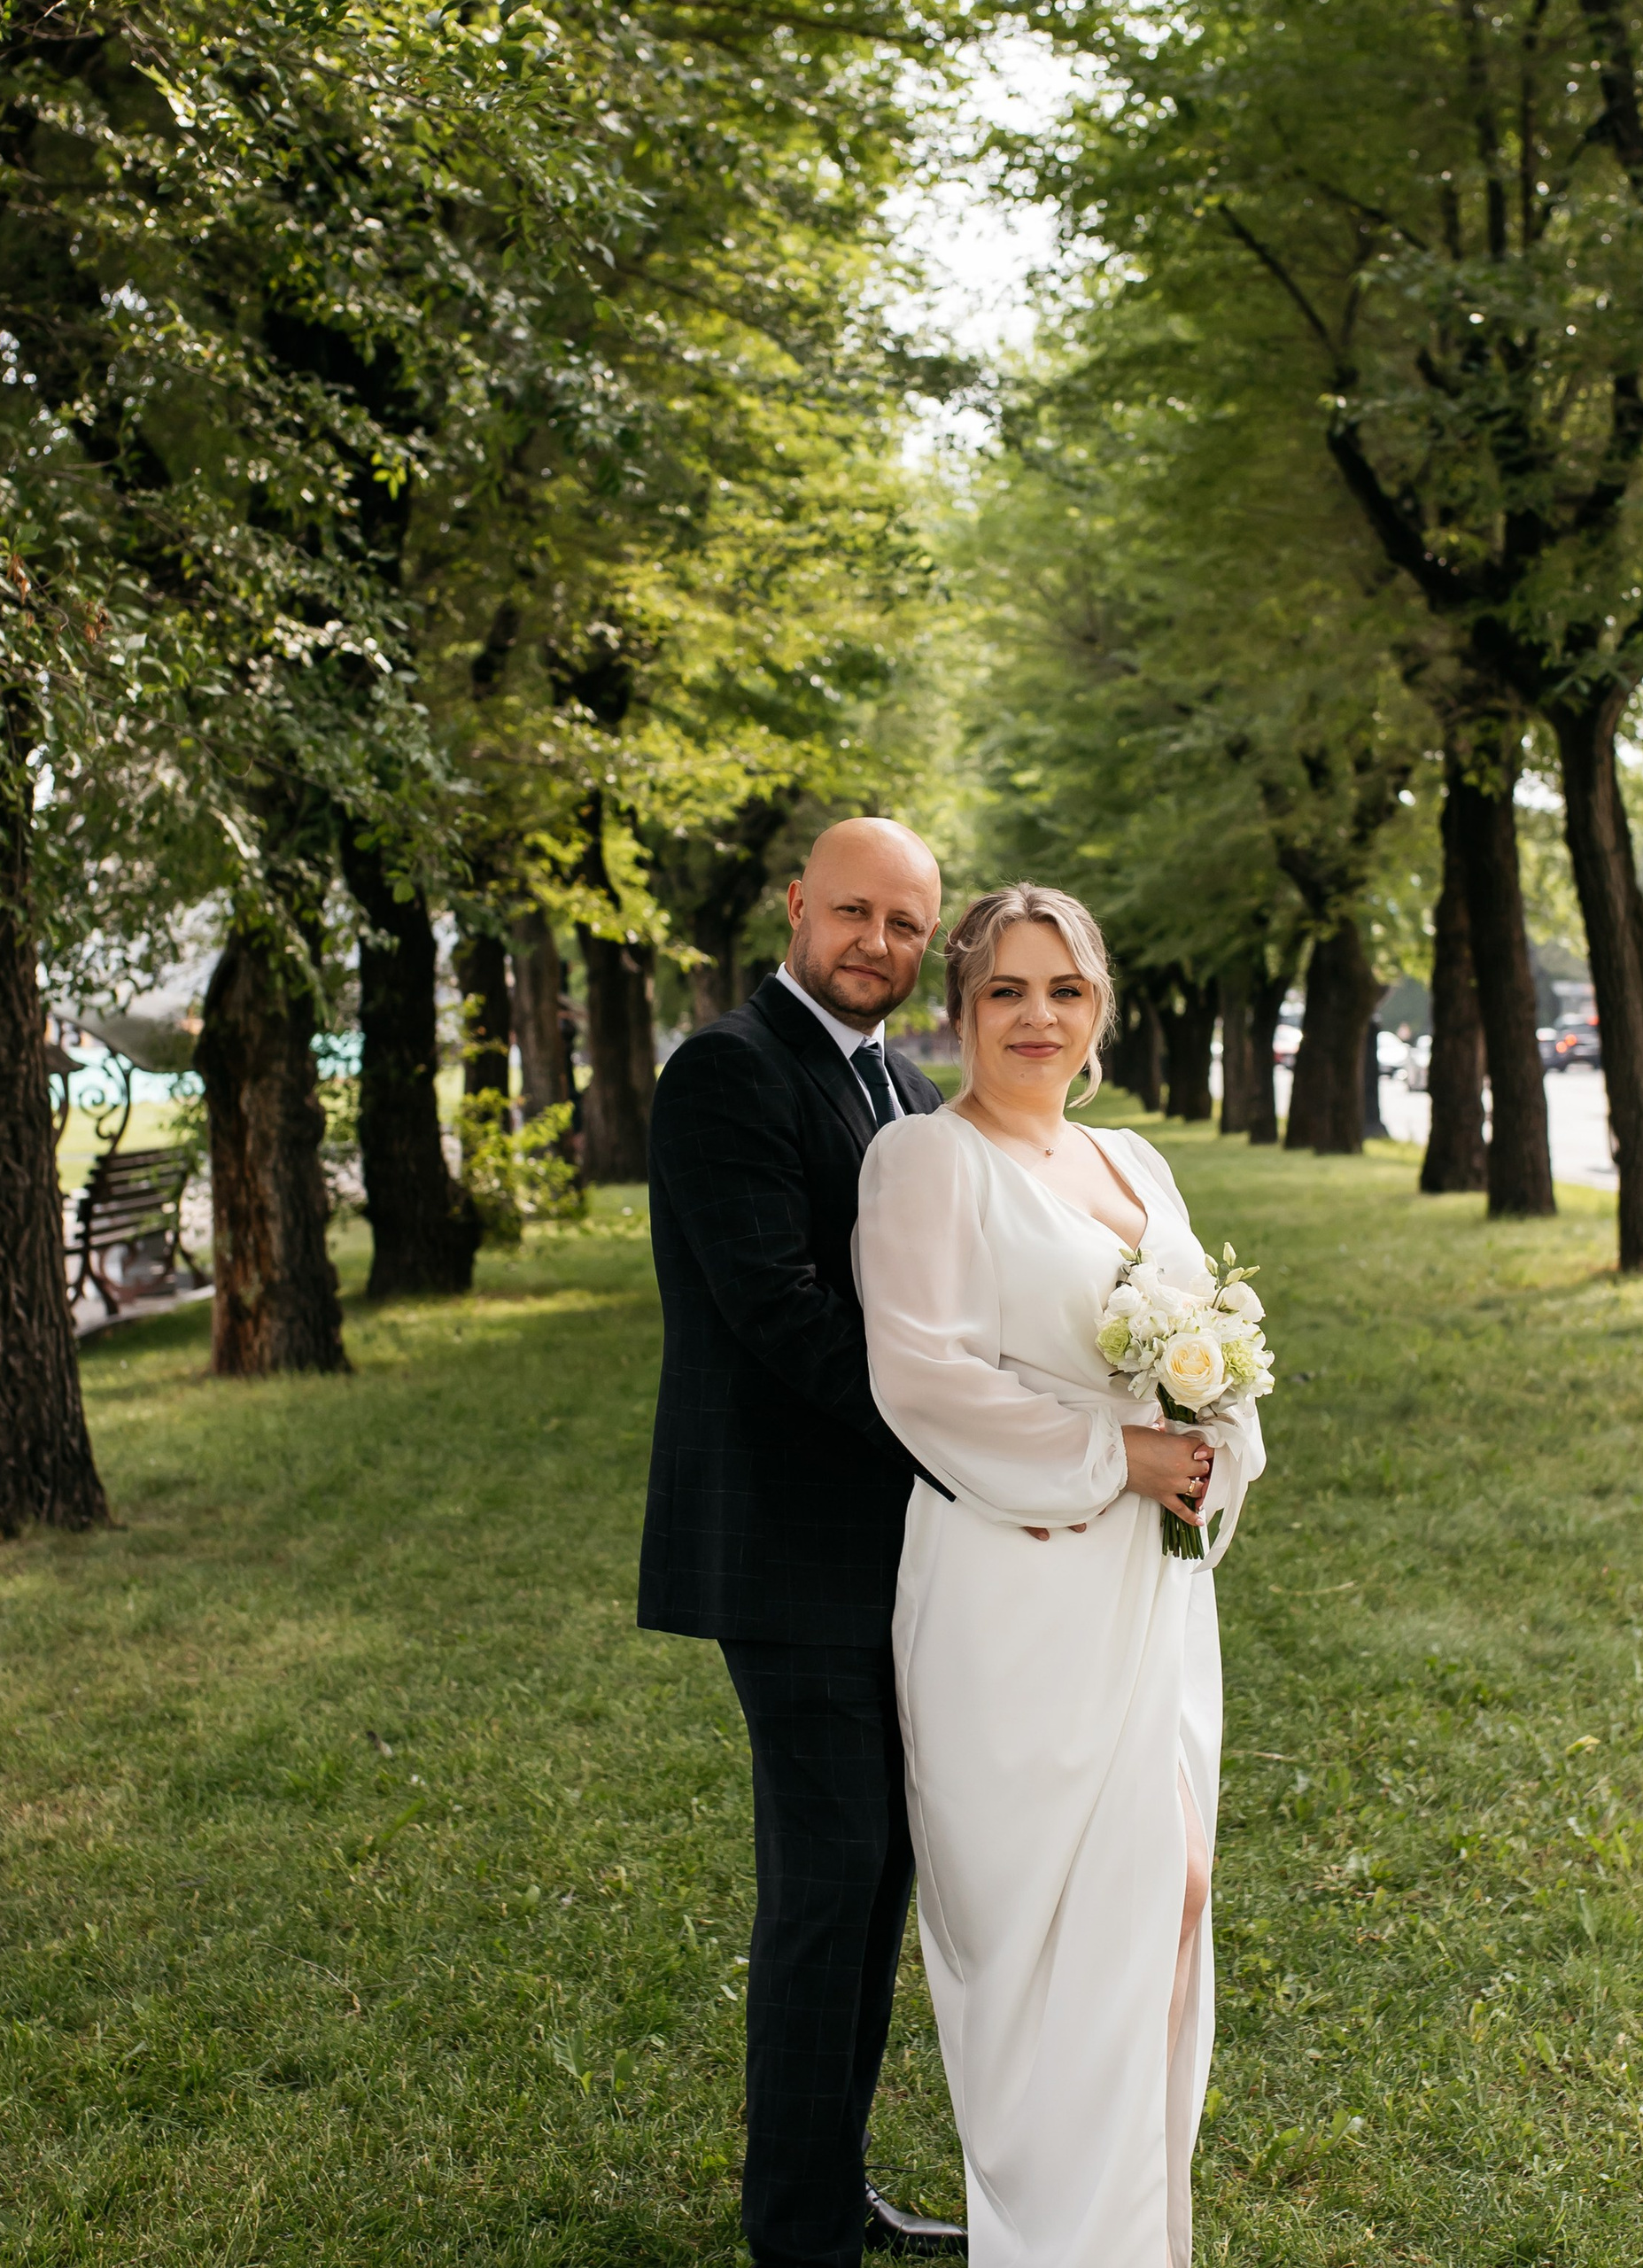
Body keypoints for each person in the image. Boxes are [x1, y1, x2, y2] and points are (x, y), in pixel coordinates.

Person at [852, 884, 1263, 2268]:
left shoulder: (1140, 1162)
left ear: (1101, 1010)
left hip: (1151, 1594)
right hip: (1008, 1589)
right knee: (1040, 1939)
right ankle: (1046, 2239)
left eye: (1065, 992)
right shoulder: (923, 1162)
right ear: (958, 1008)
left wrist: (1213, 1448)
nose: (1038, 1019)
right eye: (1008, 992)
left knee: (1175, 1897)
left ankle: (1132, 2238)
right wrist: (1116, 1455)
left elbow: (1208, 1342)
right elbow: (920, 1378)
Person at [639, 817, 967, 2266]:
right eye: (854, 914)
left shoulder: (892, 1078)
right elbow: (781, 1315)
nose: (876, 946)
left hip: (885, 1552)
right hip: (784, 1551)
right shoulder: (729, 1071)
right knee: (831, 1887)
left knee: (873, 1877)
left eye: (905, 925)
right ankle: (798, 2232)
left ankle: (830, 2193)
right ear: (795, 908)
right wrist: (966, 1433)